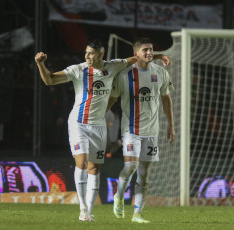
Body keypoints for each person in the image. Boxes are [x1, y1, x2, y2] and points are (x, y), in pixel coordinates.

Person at [35, 39, 170, 222]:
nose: (87, 56)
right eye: (86, 53)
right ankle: (82, 208)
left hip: (98, 126)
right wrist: (40, 64)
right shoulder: (78, 70)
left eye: (91, 53)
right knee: (81, 163)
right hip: (78, 123)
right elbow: (49, 80)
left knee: (94, 168)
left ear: (101, 55)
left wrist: (159, 56)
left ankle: (89, 212)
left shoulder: (113, 66)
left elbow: (135, 57)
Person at [107, 37, 175, 223]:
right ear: (136, 53)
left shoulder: (160, 72)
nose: (149, 53)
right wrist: (99, 116)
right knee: (131, 166)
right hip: (130, 130)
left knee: (144, 176)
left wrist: (171, 124)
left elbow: (166, 99)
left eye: (151, 49)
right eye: (145, 50)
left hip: (152, 132)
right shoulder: (124, 75)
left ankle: (137, 213)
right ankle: (119, 197)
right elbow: (112, 99)